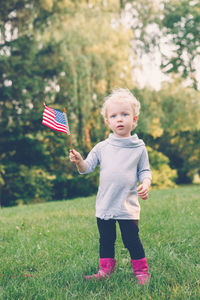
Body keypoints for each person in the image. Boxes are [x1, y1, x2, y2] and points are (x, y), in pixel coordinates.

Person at [69, 88, 152, 285]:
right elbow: (86, 168)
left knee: (131, 239)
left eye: (125, 114)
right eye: (114, 116)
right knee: (106, 240)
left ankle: (141, 271)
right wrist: (79, 160)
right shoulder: (102, 147)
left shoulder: (139, 147)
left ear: (135, 119)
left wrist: (146, 183)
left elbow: (144, 171)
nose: (119, 119)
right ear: (108, 122)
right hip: (105, 204)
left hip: (127, 206)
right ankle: (105, 270)